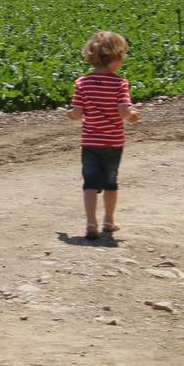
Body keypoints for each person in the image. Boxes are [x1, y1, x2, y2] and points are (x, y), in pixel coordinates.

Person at [67, 31, 141, 240]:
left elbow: (77, 113)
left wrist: (70, 114)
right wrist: (132, 115)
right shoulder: (120, 84)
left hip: (90, 141)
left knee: (89, 183)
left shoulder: (82, 83)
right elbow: (124, 111)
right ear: (116, 57)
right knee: (110, 182)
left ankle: (91, 223)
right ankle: (109, 220)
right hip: (113, 142)